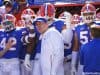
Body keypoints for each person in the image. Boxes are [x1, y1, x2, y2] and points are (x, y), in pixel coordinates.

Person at [71, 3, 96, 75]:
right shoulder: (78, 27)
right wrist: (73, 65)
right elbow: (76, 47)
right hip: (83, 60)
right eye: (85, 14)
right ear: (82, 15)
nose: (88, 16)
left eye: (90, 14)